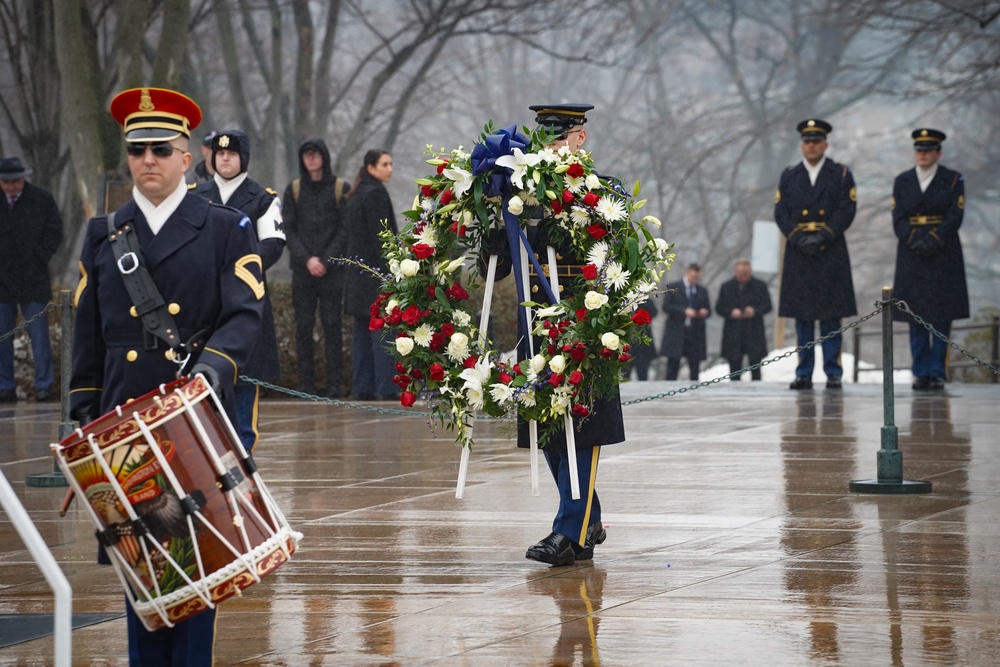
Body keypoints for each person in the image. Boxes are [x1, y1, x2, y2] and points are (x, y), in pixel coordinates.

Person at [70, 87, 264, 666]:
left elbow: (244, 314)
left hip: (193, 418)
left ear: (188, 158)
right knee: (141, 568)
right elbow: (88, 337)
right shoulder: (104, 232)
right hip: (125, 422)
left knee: (197, 566)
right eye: (137, 150)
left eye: (161, 148)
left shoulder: (225, 227)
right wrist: (82, 414)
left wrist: (208, 372)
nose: (148, 160)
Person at [489, 103, 624, 567]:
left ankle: (568, 530)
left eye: (558, 138)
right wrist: (495, 234)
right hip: (537, 326)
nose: (547, 147)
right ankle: (589, 520)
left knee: (583, 429)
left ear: (579, 139)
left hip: (585, 326)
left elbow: (612, 247)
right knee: (549, 429)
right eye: (542, 139)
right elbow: (503, 264)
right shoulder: (522, 196)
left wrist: (565, 226)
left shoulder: (605, 191)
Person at [193, 129, 285, 449]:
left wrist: (235, 269)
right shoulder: (195, 196)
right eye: (220, 154)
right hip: (202, 304)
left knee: (244, 387)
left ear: (243, 158)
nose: (225, 159)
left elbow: (272, 245)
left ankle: (242, 456)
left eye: (231, 154)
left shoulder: (262, 198)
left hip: (246, 300)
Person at [774, 119, 857, 390]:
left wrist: (824, 235)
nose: (811, 145)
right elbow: (781, 213)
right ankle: (804, 371)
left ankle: (833, 371)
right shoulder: (789, 176)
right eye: (807, 141)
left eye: (816, 140)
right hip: (800, 251)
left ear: (825, 144)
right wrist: (798, 238)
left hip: (829, 249)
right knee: (803, 317)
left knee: (831, 316)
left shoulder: (841, 174)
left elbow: (846, 210)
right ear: (802, 145)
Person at [890, 128, 968, 390]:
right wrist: (914, 240)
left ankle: (937, 371)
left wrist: (932, 240)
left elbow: (954, 216)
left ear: (938, 153)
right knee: (915, 314)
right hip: (912, 252)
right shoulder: (902, 181)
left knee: (941, 314)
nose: (922, 154)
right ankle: (920, 370)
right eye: (919, 150)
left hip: (943, 252)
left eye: (928, 150)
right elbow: (898, 217)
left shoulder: (953, 179)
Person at [282, 138, 350, 398]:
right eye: (306, 154)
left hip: (332, 271)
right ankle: (305, 385)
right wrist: (307, 259)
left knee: (333, 326)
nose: (311, 158)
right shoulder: (294, 190)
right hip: (302, 271)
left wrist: (325, 260)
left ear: (324, 157)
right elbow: (288, 228)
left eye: (315, 154)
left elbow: (344, 229)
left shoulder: (340, 188)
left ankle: (335, 384)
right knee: (303, 326)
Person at [0, 156, 63, 402]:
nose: (11, 186)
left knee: (39, 336)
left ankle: (44, 385)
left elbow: (55, 230)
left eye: (15, 181)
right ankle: (4, 386)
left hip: (33, 277)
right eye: (6, 182)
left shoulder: (41, 199)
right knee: (3, 336)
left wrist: (40, 256)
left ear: (24, 178)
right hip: (2, 280)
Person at [343, 149, 399, 400]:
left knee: (362, 334)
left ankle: (362, 387)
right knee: (382, 331)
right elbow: (382, 237)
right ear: (370, 167)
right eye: (384, 164)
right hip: (376, 275)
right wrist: (394, 268)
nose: (390, 169)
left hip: (357, 276)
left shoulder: (356, 194)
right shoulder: (375, 193)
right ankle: (386, 388)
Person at [716, 259, 772, 380]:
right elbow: (719, 307)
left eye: (746, 273)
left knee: (755, 365)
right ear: (735, 272)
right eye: (741, 273)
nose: (744, 276)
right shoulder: (727, 287)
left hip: (754, 331)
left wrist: (754, 311)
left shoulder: (760, 286)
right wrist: (731, 312)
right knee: (734, 367)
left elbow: (768, 306)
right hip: (734, 332)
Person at [661, 263, 711, 381]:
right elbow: (666, 307)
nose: (695, 280)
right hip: (677, 332)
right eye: (693, 277)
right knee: (673, 365)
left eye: (697, 278)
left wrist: (704, 312)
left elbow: (709, 310)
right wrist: (684, 311)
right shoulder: (674, 287)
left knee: (694, 366)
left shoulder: (702, 290)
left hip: (695, 333)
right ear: (687, 273)